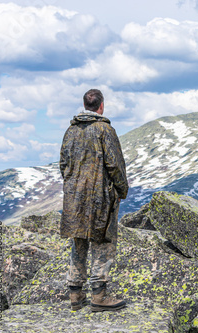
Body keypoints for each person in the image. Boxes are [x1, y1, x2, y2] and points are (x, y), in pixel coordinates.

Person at [59, 89, 128, 312]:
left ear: (85, 105)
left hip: (74, 197)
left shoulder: (70, 131)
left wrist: (73, 186)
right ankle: (99, 296)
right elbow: (114, 165)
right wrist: (122, 189)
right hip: (100, 196)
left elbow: (63, 164)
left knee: (78, 243)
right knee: (103, 242)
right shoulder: (105, 130)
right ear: (101, 106)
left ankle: (75, 294)